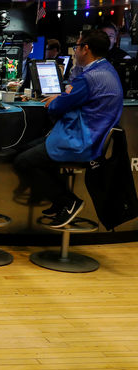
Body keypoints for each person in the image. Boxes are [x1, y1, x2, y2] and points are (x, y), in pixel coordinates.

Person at [13, 29, 123, 228]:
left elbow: (56, 107)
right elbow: (72, 96)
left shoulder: (89, 78)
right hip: (92, 139)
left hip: (80, 141)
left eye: (77, 47)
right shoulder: (107, 70)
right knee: (25, 148)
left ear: (86, 49)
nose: (75, 51)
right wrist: (65, 96)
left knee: (22, 161)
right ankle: (59, 200)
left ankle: (68, 201)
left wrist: (58, 100)